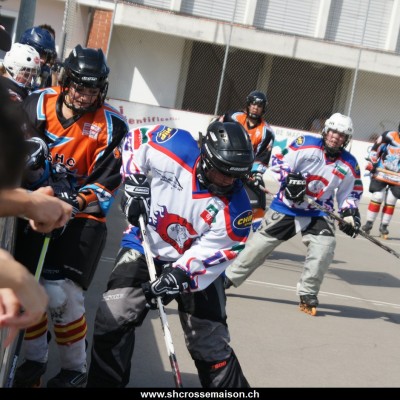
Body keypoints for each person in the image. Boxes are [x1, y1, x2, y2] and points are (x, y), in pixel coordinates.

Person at [87, 121, 255, 388]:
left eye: (236, 175)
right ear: (206, 157)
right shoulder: (175, 145)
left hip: (194, 266)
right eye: (223, 171)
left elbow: (219, 249)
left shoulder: (239, 210)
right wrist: (133, 181)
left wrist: (180, 274)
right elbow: (135, 139)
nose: (229, 180)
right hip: (145, 246)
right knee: (113, 317)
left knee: (209, 341)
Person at [12, 44, 128, 388]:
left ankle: (75, 368)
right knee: (27, 287)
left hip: (82, 217)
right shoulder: (37, 103)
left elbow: (106, 184)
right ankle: (33, 360)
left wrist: (73, 202)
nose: (84, 96)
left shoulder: (112, 126)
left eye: (93, 90)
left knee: (61, 293)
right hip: (36, 206)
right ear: (65, 82)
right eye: (79, 87)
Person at [224, 113, 363, 316]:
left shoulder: (349, 163)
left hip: (318, 212)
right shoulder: (305, 144)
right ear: (325, 131)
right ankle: (227, 279)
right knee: (258, 247)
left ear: (346, 139)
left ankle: (308, 293)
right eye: (333, 131)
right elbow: (279, 161)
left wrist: (349, 213)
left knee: (324, 248)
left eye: (341, 135)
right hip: (286, 207)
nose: (335, 137)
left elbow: (351, 192)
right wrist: (289, 179)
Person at [218, 90, 275, 229]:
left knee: (258, 198)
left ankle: (258, 231)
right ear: (248, 105)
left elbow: (261, 157)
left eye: (259, 105)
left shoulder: (267, 132)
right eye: (253, 104)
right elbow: (217, 129)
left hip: (245, 170)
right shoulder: (233, 117)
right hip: (224, 163)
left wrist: (256, 174)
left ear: (263, 109)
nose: (255, 108)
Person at [362, 124, 400, 239]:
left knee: (391, 199)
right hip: (382, 171)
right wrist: (373, 163)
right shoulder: (389, 136)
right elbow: (375, 149)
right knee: (377, 196)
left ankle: (384, 226)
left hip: (397, 176)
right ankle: (369, 223)